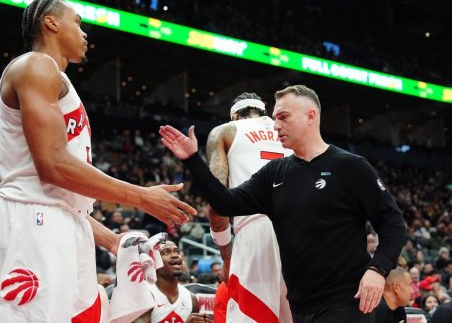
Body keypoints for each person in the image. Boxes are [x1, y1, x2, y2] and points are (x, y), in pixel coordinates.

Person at [0, 0, 196, 322]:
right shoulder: (35, 66)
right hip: (31, 221)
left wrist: (112, 240)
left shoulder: (61, 81)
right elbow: (52, 166)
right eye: (78, 22)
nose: (84, 34)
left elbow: (64, 198)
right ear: (51, 23)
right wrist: (141, 196)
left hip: (65, 220)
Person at [159, 84, 406, 322]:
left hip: (345, 299)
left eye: (284, 117)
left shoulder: (351, 166)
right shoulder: (274, 173)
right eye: (275, 117)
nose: (275, 125)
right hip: (301, 302)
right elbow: (225, 203)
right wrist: (193, 159)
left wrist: (378, 269)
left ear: (311, 116)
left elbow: (392, 222)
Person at [205, 92, 292, 322]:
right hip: (302, 230)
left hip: (256, 227)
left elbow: (216, 202)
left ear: (234, 115)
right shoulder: (290, 131)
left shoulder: (225, 131)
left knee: (252, 315)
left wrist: (226, 256)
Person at [133, 241, 212, 323]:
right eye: (166, 252)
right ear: (152, 261)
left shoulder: (191, 299)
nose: (175, 255)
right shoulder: (143, 295)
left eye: (177, 251)